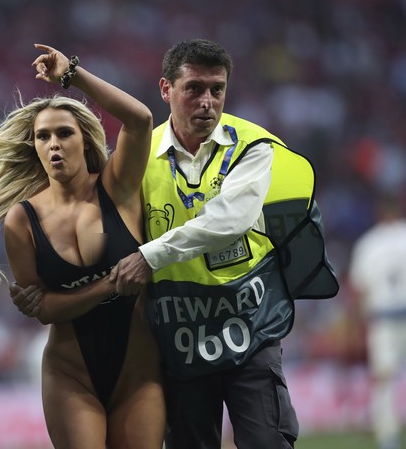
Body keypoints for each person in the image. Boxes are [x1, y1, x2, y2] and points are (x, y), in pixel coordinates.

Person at [107, 39, 338, 449]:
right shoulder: (138, 154)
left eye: (217, 89)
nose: (207, 102)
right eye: (194, 88)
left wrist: (150, 256)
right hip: (179, 335)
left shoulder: (254, 145)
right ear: (166, 89)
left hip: (250, 325)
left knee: (267, 441)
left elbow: (229, 221)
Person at [0, 43, 165, 449]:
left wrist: (72, 75)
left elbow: (140, 119)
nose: (53, 143)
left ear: (85, 140)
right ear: (34, 147)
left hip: (137, 373)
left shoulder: (118, 188)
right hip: (71, 376)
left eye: (64, 133)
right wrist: (110, 284)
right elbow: (45, 311)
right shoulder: (22, 219)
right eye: (43, 136)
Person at [349, 194, 406, 449]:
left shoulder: (368, 243)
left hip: (383, 319)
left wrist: (357, 323)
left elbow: (359, 288)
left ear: (380, 213)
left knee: (383, 378)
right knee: (384, 377)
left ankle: (388, 437)